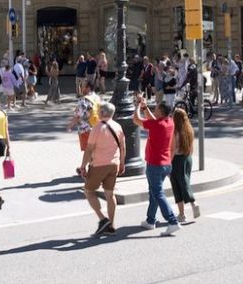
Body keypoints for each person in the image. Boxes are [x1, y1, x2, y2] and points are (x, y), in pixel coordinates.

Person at [133, 93, 180, 235]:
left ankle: (172, 221)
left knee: (157, 193)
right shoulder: (169, 122)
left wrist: (137, 105)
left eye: (156, 109)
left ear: (161, 112)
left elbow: (136, 120)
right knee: (153, 192)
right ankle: (150, 220)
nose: (154, 110)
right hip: (166, 164)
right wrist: (145, 107)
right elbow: (152, 119)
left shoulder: (156, 124)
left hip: (155, 164)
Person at [79, 101, 125, 236]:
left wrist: (83, 166)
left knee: (88, 191)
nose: (97, 112)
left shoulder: (97, 128)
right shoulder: (118, 126)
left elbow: (89, 149)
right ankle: (111, 225)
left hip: (99, 164)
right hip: (114, 164)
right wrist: (122, 163)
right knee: (110, 194)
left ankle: (102, 219)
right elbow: (123, 147)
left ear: (103, 112)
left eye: (98, 110)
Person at [170, 107, 200, 222]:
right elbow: (191, 147)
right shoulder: (189, 129)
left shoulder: (175, 132)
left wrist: (168, 162)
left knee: (177, 186)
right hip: (187, 158)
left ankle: (183, 213)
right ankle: (192, 205)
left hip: (177, 160)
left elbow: (172, 149)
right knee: (185, 182)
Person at [68, 80, 101, 151]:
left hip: (85, 129)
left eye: (82, 86)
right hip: (97, 128)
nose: (80, 88)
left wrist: (70, 126)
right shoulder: (97, 97)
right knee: (95, 151)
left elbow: (77, 116)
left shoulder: (84, 100)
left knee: (88, 152)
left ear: (88, 88)